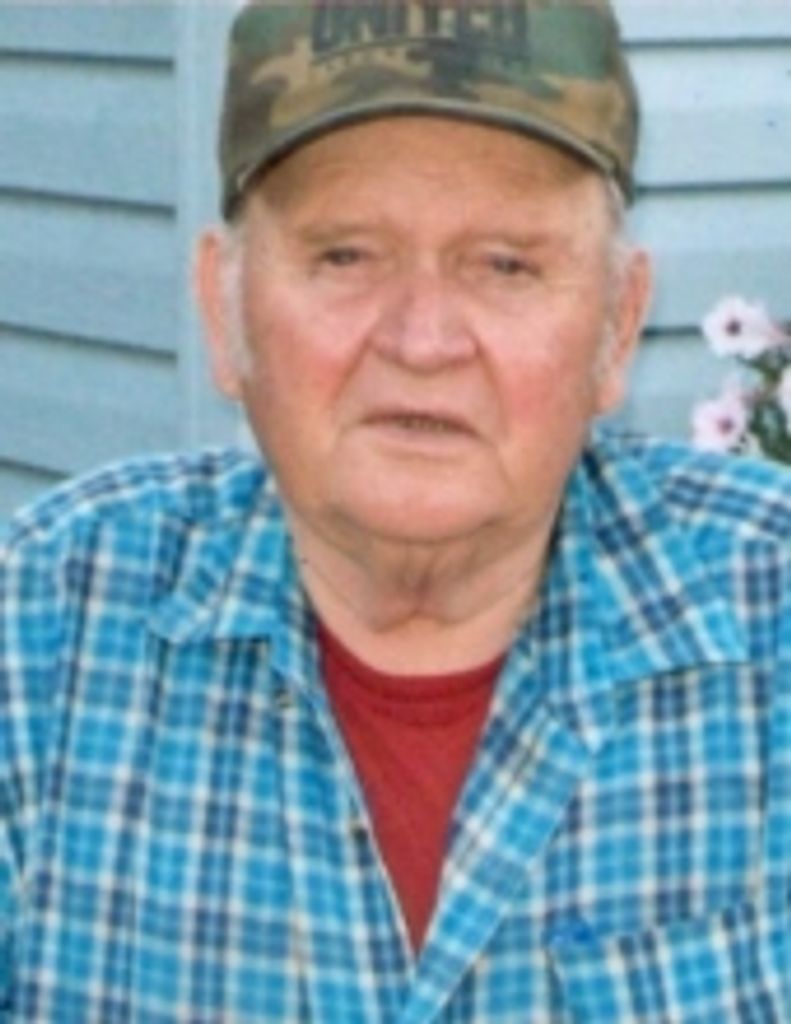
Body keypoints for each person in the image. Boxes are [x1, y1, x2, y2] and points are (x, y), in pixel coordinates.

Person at [1, 1, 789, 1020]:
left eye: (504, 264)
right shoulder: (38, 633)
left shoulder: (770, 610)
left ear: (617, 323)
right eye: (345, 256)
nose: (421, 341)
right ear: (221, 311)